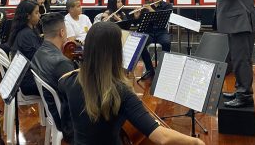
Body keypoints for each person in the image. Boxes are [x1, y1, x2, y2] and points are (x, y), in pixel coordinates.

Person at [58, 22, 204, 145]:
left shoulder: (66, 81)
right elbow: (162, 137)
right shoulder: (120, 92)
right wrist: (195, 142)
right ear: (116, 53)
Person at [194, 0, 255, 108]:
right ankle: (240, 89)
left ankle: (245, 94)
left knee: (241, 59)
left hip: (240, 22)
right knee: (236, 59)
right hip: (234, 21)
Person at [32, 13, 75, 140]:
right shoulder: (62, 63)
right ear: (62, 32)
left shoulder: (39, 52)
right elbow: (76, 97)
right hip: (67, 122)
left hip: (53, 111)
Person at [8, 0, 42, 96]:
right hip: (28, 81)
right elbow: (38, 59)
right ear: (28, 16)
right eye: (36, 12)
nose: (39, 15)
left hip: (28, 75)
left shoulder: (28, 30)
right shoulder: (26, 34)